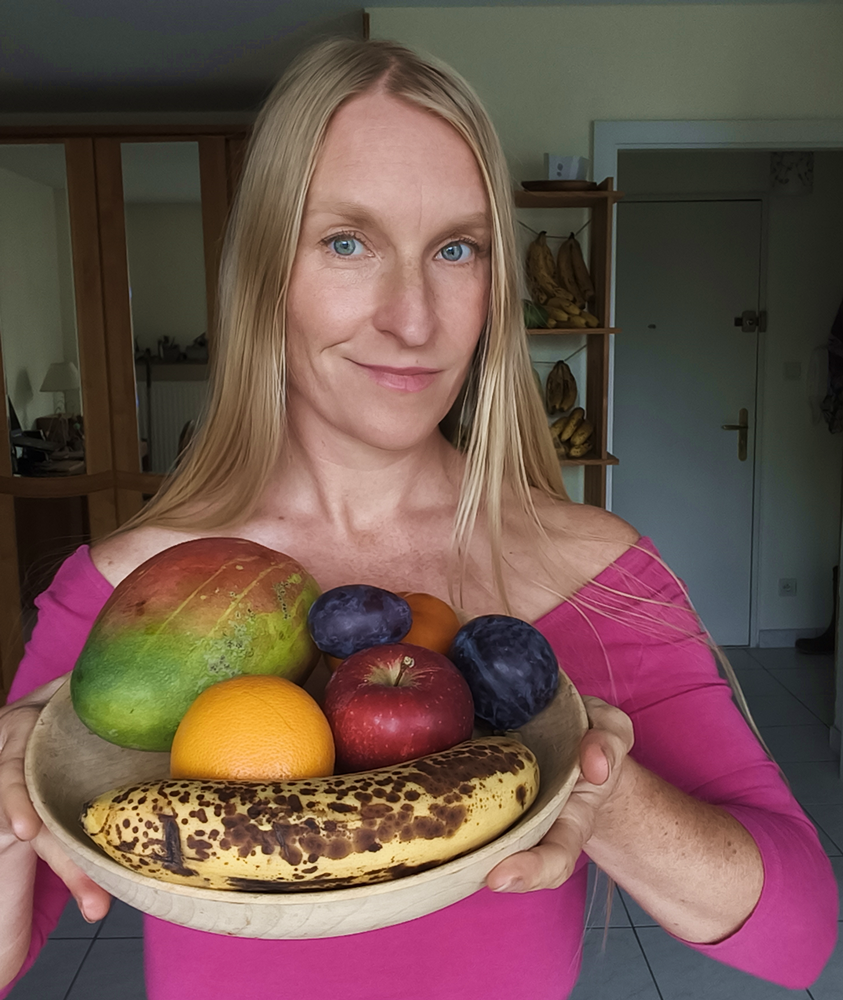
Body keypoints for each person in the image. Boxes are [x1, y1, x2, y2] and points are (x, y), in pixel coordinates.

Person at [0, 38, 837, 1000]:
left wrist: (590, 783)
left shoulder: (590, 573)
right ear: (265, 273)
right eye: (347, 242)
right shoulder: (131, 600)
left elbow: (799, 938)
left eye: (455, 248)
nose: (412, 318)